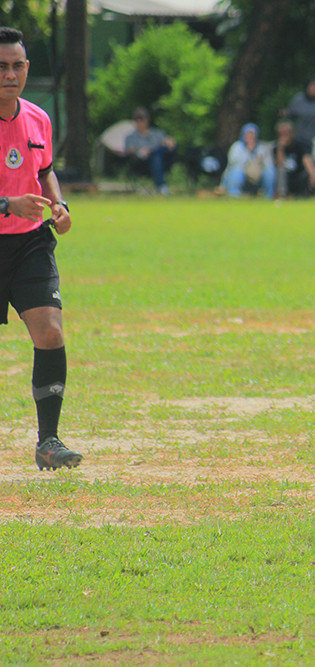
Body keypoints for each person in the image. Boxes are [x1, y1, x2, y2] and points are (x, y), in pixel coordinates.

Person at [0, 27, 81, 471]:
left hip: (31, 243)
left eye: (17, 66)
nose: (10, 75)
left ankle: (48, 441)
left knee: (50, 331)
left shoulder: (38, 118)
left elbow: (46, 170)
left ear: (27, 69)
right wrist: (5, 203)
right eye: (2, 67)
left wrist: (60, 205)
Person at [123, 106, 177, 196]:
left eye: (142, 120)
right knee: (155, 154)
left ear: (147, 121)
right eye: (137, 121)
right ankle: (161, 186)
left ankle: (161, 186)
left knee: (158, 152)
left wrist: (170, 142)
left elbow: (170, 143)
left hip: (162, 161)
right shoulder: (130, 137)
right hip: (142, 163)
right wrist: (140, 151)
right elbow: (129, 151)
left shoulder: (157, 134)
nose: (140, 123)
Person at [221, 123, 276, 198]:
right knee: (236, 171)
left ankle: (268, 196)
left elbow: (269, 164)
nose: (251, 137)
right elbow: (233, 164)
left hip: (257, 176)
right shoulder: (237, 147)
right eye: (248, 135)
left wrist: (260, 161)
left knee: (270, 171)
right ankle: (234, 196)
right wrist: (249, 152)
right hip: (242, 175)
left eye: (252, 134)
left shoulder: (262, 148)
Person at [272, 118, 315, 198]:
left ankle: (303, 195)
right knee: (280, 171)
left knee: (306, 175)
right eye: (282, 133)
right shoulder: (277, 148)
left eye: (287, 133)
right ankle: (282, 195)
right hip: (286, 177)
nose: (285, 136)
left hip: (298, 175)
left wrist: (312, 174)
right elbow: (280, 164)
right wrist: (281, 148)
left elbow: (306, 159)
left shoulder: (300, 144)